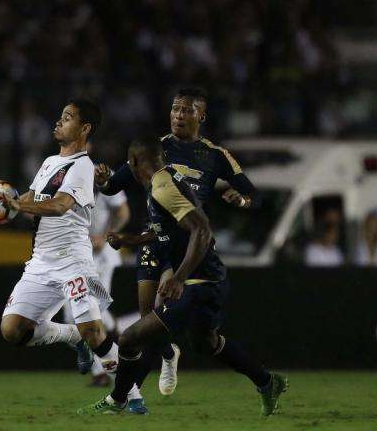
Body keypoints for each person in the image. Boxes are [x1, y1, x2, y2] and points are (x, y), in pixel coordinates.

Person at [78, 138, 288, 417]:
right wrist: (134, 238)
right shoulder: (166, 181)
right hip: (209, 281)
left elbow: (202, 231)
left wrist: (179, 277)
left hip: (198, 284)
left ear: (134, 163)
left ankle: (118, 401)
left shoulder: (163, 188)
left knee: (129, 339)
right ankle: (267, 381)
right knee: (206, 342)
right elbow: (172, 229)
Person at [0, 99, 145, 411]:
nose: (58, 123)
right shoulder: (49, 162)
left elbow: (60, 206)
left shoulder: (83, 167)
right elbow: (29, 199)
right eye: (60, 117)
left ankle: (131, 397)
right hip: (41, 261)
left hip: (72, 259)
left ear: (84, 128)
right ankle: (71, 336)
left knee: (95, 331)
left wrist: (17, 206)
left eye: (67, 118)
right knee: (12, 330)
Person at [95, 88, 256, 397]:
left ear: (201, 116)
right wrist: (104, 181)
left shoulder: (215, 155)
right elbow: (114, 186)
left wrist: (244, 200)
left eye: (187, 110)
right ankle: (168, 355)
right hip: (153, 239)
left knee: (166, 319)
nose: (179, 115)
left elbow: (250, 190)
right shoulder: (156, 149)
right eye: (175, 109)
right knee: (146, 322)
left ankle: (124, 397)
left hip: (187, 246)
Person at [63, 182, 131, 387]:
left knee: (91, 312)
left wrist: (107, 235)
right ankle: (118, 332)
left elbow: (124, 212)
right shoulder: (62, 181)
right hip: (74, 257)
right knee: (71, 317)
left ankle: (101, 371)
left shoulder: (104, 179)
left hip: (101, 256)